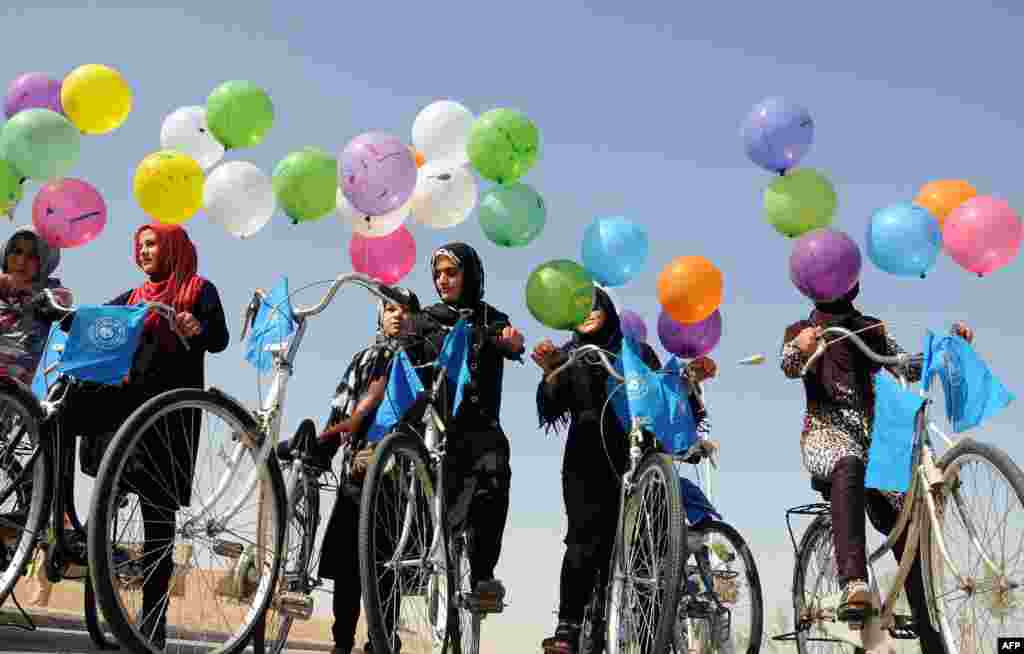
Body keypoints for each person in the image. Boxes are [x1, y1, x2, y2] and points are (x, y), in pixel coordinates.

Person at [781, 282, 971, 653]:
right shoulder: (802, 330)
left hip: (872, 446)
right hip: (826, 437)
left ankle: (930, 627)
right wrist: (798, 348)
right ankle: (854, 584)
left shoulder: (870, 327)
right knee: (848, 464)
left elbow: (907, 366)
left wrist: (949, 347)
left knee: (906, 516)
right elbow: (789, 365)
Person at [65, 223, 229, 649]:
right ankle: (101, 609)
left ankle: (152, 624)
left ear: (173, 247)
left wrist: (196, 326)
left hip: (168, 420)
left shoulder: (199, 289)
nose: (143, 251)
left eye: (151, 243)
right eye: (138, 245)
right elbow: (99, 323)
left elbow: (221, 338)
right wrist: (67, 315)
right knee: (105, 508)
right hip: (124, 414)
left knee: (159, 523)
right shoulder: (133, 297)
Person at [532, 290, 716, 654]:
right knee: (584, 543)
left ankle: (651, 637)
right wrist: (552, 372)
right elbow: (549, 407)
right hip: (586, 464)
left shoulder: (637, 354)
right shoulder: (571, 355)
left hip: (636, 466)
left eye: (593, 306)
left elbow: (667, 403)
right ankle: (567, 628)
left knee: (648, 554)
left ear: (607, 311)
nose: (586, 313)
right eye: (578, 307)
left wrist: (690, 384)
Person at [277, 286, 429, 654]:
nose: (396, 315)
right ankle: (341, 643)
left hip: (400, 480)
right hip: (356, 476)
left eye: (405, 310)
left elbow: (424, 416)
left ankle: (383, 641)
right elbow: (342, 410)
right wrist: (322, 451)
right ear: (379, 316)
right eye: (389, 309)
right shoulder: (364, 357)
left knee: (386, 566)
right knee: (348, 567)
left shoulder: (423, 360)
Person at [417, 242, 525, 612]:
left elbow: (509, 340)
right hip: (433, 429)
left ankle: (481, 576)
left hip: (478, 430)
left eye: (452, 272)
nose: (443, 280)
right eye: (438, 274)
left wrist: (511, 343)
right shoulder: (424, 320)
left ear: (471, 275)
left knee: (495, 473)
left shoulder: (490, 319)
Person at [0, 225, 73, 386]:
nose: (21, 261)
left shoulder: (51, 289)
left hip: (16, 384)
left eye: (32, 256)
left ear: (45, 261)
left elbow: (63, 301)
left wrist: (30, 292)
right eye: (17, 252)